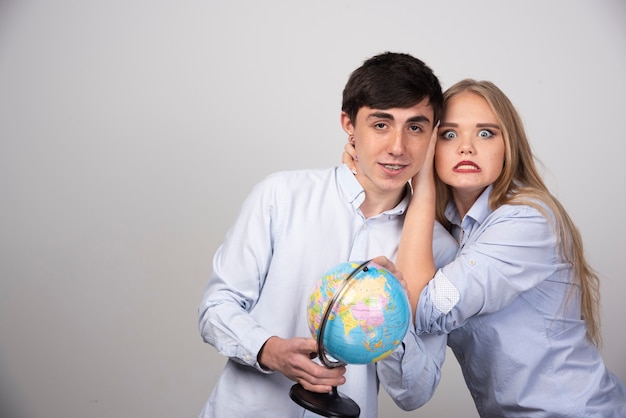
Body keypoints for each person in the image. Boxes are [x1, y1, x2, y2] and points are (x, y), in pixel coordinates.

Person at [197, 52, 458, 418]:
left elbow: (414, 394)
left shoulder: (438, 249)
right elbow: (215, 308)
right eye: (380, 125)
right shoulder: (281, 195)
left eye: (415, 127)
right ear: (348, 124)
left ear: (432, 135)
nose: (398, 147)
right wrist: (268, 349)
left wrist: (394, 319)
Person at [345, 78, 626, 416]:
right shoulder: (452, 230)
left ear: (509, 145)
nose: (466, 148)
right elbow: (412, 385)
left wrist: (420, 184)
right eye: (449, 135)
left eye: (485, 133)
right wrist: (374, 178)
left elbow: (427, 308)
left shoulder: (527, 222)